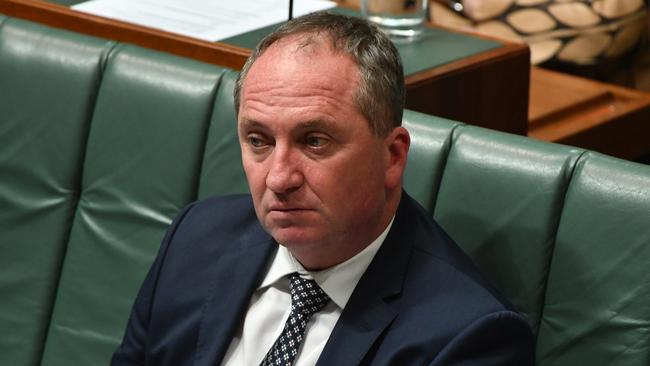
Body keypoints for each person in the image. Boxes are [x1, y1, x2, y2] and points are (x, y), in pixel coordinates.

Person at [111, 11, 534, 366]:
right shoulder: (194, 238)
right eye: (259, 141)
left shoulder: (466, 338)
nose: (279, 178)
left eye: (314, 142)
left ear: (392, 157)